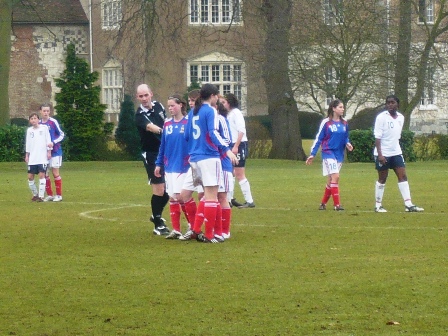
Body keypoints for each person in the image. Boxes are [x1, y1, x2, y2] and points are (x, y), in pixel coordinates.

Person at [182, 83, 238, 243]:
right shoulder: (211, 111)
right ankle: (209, 234)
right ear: (212, 96)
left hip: (194, 159)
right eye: (217, 96)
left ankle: (203, 230)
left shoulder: (192, 113)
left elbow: (187, 135)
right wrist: (226, 150)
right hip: (208, 157)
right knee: (212, 197)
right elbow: (213, 133)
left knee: (204, 196)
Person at [373, 95, 424, 213]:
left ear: (397, 104)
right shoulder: (381, 117)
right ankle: (378, 205)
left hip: (396, 152)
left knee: (403, 176)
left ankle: (408, 204)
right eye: (388, 103)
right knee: (382, 178)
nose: (390, 105)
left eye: (392, 103)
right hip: (383, 153)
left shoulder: (401, 117)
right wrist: (380, 155)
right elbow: (377, 137)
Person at [154, 94, 195, 239]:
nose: (170, 108)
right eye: (169, 106)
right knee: (172, 198)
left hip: (183, 165)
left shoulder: (188, 122)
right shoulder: (167, 124)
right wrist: (158, 163)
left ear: (181, 105)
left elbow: (193, 143)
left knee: (181, 196)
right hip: (169, 165)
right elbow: (163, 145)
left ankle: (193, 226)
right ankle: (176, 230)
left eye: (173, 105)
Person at [135, 84, 170, 235]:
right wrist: (168, 131)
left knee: (171, 190)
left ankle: (156, 215)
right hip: (151, 154)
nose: (143, 99)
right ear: (137, 97)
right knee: (159, 188)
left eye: (146, 95)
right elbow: (152, 128)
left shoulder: (159, 106)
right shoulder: (139, 115)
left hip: (165, 152)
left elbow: (166, 120)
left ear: (151, 94)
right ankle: (157, 224)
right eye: (140, 96)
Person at [306, 99, 353, 211]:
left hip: (339, 154)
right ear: (334, 108)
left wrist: (347, 143)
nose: (343, 109)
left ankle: (323, 204)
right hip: (328, 152)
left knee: (331, 179)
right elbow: (319, 138)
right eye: (340, 107)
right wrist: (312, 154)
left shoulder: (344, 123)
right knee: (336, 177)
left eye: (343, 107)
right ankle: (337, 205)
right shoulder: (326, 123)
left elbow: (345, 136)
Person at [222, 93, 255, 208]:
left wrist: (236, 146)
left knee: (239, 173)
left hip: (239, 145)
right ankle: (230, 199)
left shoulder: (236, 113)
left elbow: (241, 130)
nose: (223, 105)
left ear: (230, 103)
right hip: (232, 144)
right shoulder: (229, 114)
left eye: (224, 102)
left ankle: (249, 201)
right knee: (230, 173)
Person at [39, 103, 65, 202]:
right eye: (44, 111)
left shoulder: (53, 122)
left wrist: (53, 142)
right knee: (45, 173)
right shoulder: (39, 124)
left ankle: (59, 195)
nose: (46, 113)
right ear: (40, 112)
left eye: (47, 111)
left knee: (55, 173)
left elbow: (61, 134)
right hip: (43, 153)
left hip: (55, 151)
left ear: (50, 112)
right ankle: (50, 195)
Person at [25, 113, 53, 202]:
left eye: (35, 118)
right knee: (30, 177)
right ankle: (35, 194)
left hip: (42, 157)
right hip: (33, 158)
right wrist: (27, 155)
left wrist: (49, 151)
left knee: (42, 175)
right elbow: (28, 143)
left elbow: (48, 140)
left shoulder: (44, 128)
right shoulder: (29, 130)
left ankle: (41, 196)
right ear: (30, 120)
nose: (33, 120)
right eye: (32, 118)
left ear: (38, 119)